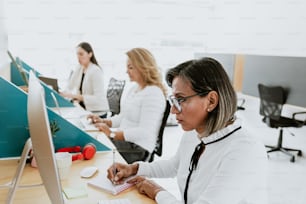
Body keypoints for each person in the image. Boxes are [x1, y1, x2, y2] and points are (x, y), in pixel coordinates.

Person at [106, 57, 268, 204]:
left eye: (181, 100)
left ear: (211, 101)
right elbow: (175, 166)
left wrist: (157, 192)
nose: (173, 111)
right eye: (174, 100)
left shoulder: (245, 149)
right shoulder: (195, 132)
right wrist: (134, 168)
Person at [89, 48, 167, 164]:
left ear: (143, 68)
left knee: (95, 148)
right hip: (127, 143)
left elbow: (144, 132)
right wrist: (104, 122)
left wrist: (111, 134)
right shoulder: (135, 89)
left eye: (130, 67)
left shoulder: (153, 93)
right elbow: (122, 117)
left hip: (138, 149)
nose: (127, 71)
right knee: (93, 140)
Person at [60, 42, 109, 112]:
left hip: (97, 111)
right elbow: (70, 86)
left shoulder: (96, 71)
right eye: (77, 54)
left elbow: (98, 98)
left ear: (90, 54)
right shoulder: (79, 68)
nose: (78, 57)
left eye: (81, 54)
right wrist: (61, 93)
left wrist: (74, 96)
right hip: (83, 108)